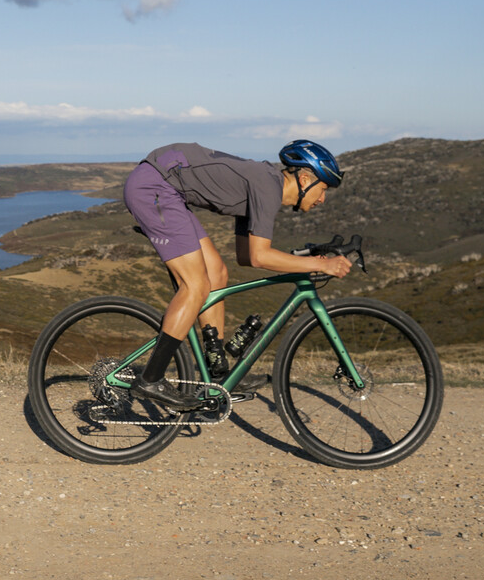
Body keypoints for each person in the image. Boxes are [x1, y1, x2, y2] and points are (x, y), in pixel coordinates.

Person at [122, 137, 351, 410]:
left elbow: (245, 256)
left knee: (216, 273)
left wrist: (311, 259)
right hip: (155, 187)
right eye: (323, 189)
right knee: (195, 286)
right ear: (304, 180)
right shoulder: (268, 186)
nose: (323, 199)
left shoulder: (264, 187)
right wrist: (321, 265)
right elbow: (259, 256)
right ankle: (151, 378)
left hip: (166, 188)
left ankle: (217, 372)